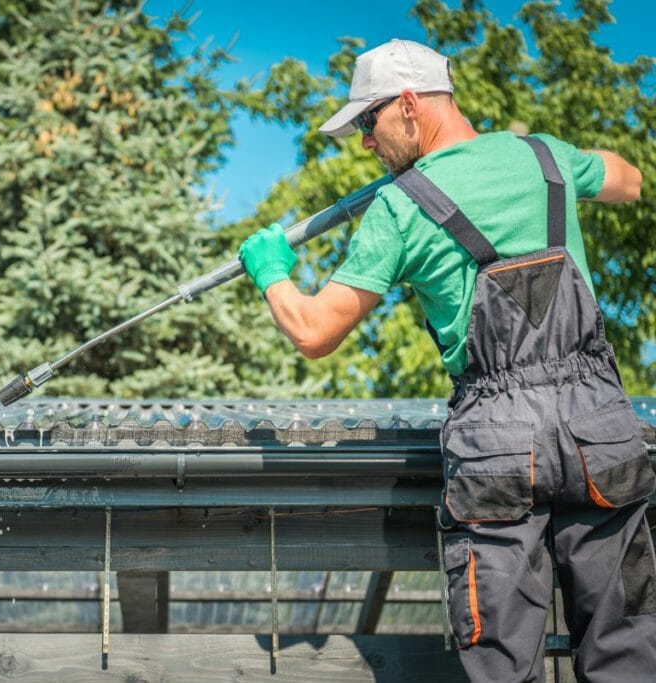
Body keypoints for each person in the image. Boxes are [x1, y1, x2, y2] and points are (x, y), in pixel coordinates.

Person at [238, 38, 655, 682]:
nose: (365, 144)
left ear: (409, 105)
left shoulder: (401, 207)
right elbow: (628, 180)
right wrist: (555, 170)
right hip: (599, 427)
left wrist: (271, 272)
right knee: (630, 653)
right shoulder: (545, 157)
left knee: (497, 667)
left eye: (368, 123)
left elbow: (314, 331)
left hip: (498, 444)